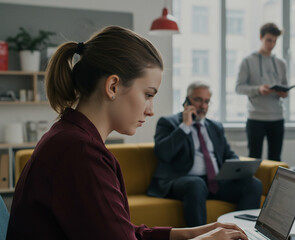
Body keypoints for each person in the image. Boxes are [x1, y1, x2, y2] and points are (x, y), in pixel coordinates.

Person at [6, 26, 248, 240]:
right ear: (113, 86)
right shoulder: (79, 152)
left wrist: (191, 232)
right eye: (148, 94)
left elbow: (121, 231)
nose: (151, 110)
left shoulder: (70, 137)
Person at [148, 81, 262, 227]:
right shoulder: (168, 123)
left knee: (253, 184)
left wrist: (239, 168)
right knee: (196, 183)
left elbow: (229, 155)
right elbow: (163, 153)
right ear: (186, 100)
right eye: (198, 100)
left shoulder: (215, 126)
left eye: (206, 101)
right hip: (183, 181)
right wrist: (185, 126)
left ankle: (241, 234)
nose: (203, 106)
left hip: (215, 181)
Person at [236, 23, 288, 161]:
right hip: (256, 118)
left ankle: (273, 184)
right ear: (261, 37)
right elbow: (239, 88)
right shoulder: (247, 61)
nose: (272, 44)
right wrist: (258, 89)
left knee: (275, 159)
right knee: (254, 158)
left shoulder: (281, 63)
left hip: (277, 117)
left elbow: (285, 87)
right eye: (269, 40)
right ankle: (254, 184)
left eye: (275, 41)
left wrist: (283, 92)